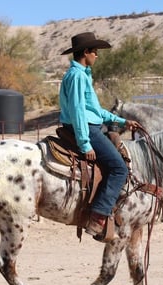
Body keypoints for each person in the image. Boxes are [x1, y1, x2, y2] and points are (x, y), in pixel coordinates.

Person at [59, 32, 142, 241]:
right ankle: (98, 217)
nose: (97, 56)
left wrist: (123, 121)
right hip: (86, 129)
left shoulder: (82, 74)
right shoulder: (78, 76)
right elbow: (78, 111)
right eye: (95, 52)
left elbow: (96, 111)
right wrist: (85, 144)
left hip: (90, 125)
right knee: (119, 168)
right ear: (85, 52)